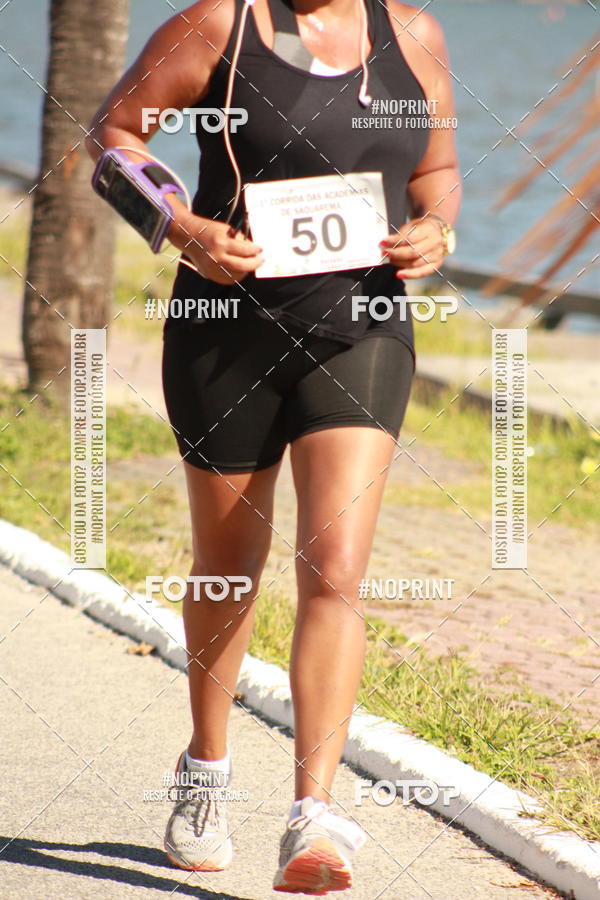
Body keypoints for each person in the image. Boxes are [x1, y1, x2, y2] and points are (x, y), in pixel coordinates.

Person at [87, 0, 460, 891]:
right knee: (228, 569)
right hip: (226, 333)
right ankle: (206, 767)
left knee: (335, 567)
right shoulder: (220, 24)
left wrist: (437, 231)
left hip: (362, 329)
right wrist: (179, 226)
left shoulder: (411, 36)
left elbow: (438, 170)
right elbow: (116, 136)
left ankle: (313, 819)